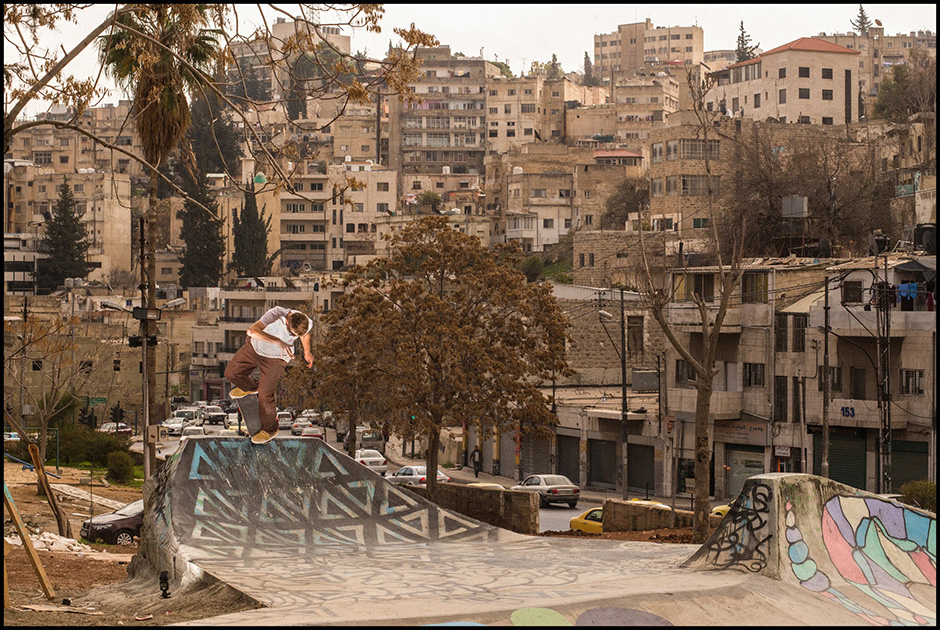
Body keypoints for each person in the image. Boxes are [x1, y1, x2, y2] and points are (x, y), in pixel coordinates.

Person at [225, 306, 313, 444]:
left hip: (277, 358)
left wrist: (307, 351)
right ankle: (250, 386)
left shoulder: (304, 320)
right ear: (287, 322)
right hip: (255, 348)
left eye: (296, 336)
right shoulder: (275, 314)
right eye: (292, 335)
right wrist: (278, 341)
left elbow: (305, 334)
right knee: (231, 373)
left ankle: (270, 429)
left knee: (265, 394)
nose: (294, 338)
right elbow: (251, 331)